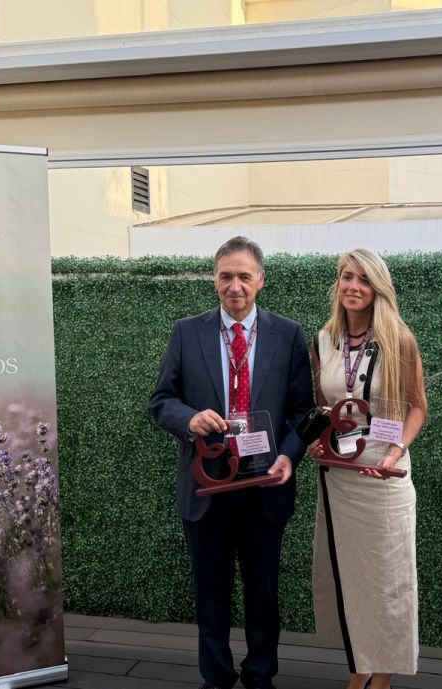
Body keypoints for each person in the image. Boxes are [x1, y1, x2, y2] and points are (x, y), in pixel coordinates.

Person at [150, 236, 313, 689]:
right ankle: (216, 679)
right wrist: (190, 418)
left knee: (263, 595)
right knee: (210, 594)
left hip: (265, 485)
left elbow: (304, 412)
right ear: (214, 279)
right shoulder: (188, 331)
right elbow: (161, 400)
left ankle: (261, 676)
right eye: (226, 276)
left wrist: (288, 456)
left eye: (244, 276)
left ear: (261, 280)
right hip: (207, 487)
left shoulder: (289, 334)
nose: (234, 286)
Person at [308, 248, 427, 689]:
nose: (353, 286)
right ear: (337, 284)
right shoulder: (324, 341)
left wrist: (395, 451)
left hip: (384, 474)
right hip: (339, 476)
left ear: (378, 288)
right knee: (351, 579)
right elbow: (323, 407)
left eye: (363, 279)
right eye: (346, 277)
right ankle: (359, 669)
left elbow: (417, 408)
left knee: (388, 580)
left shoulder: (399, 340)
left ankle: (383, 676)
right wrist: (315, 440)